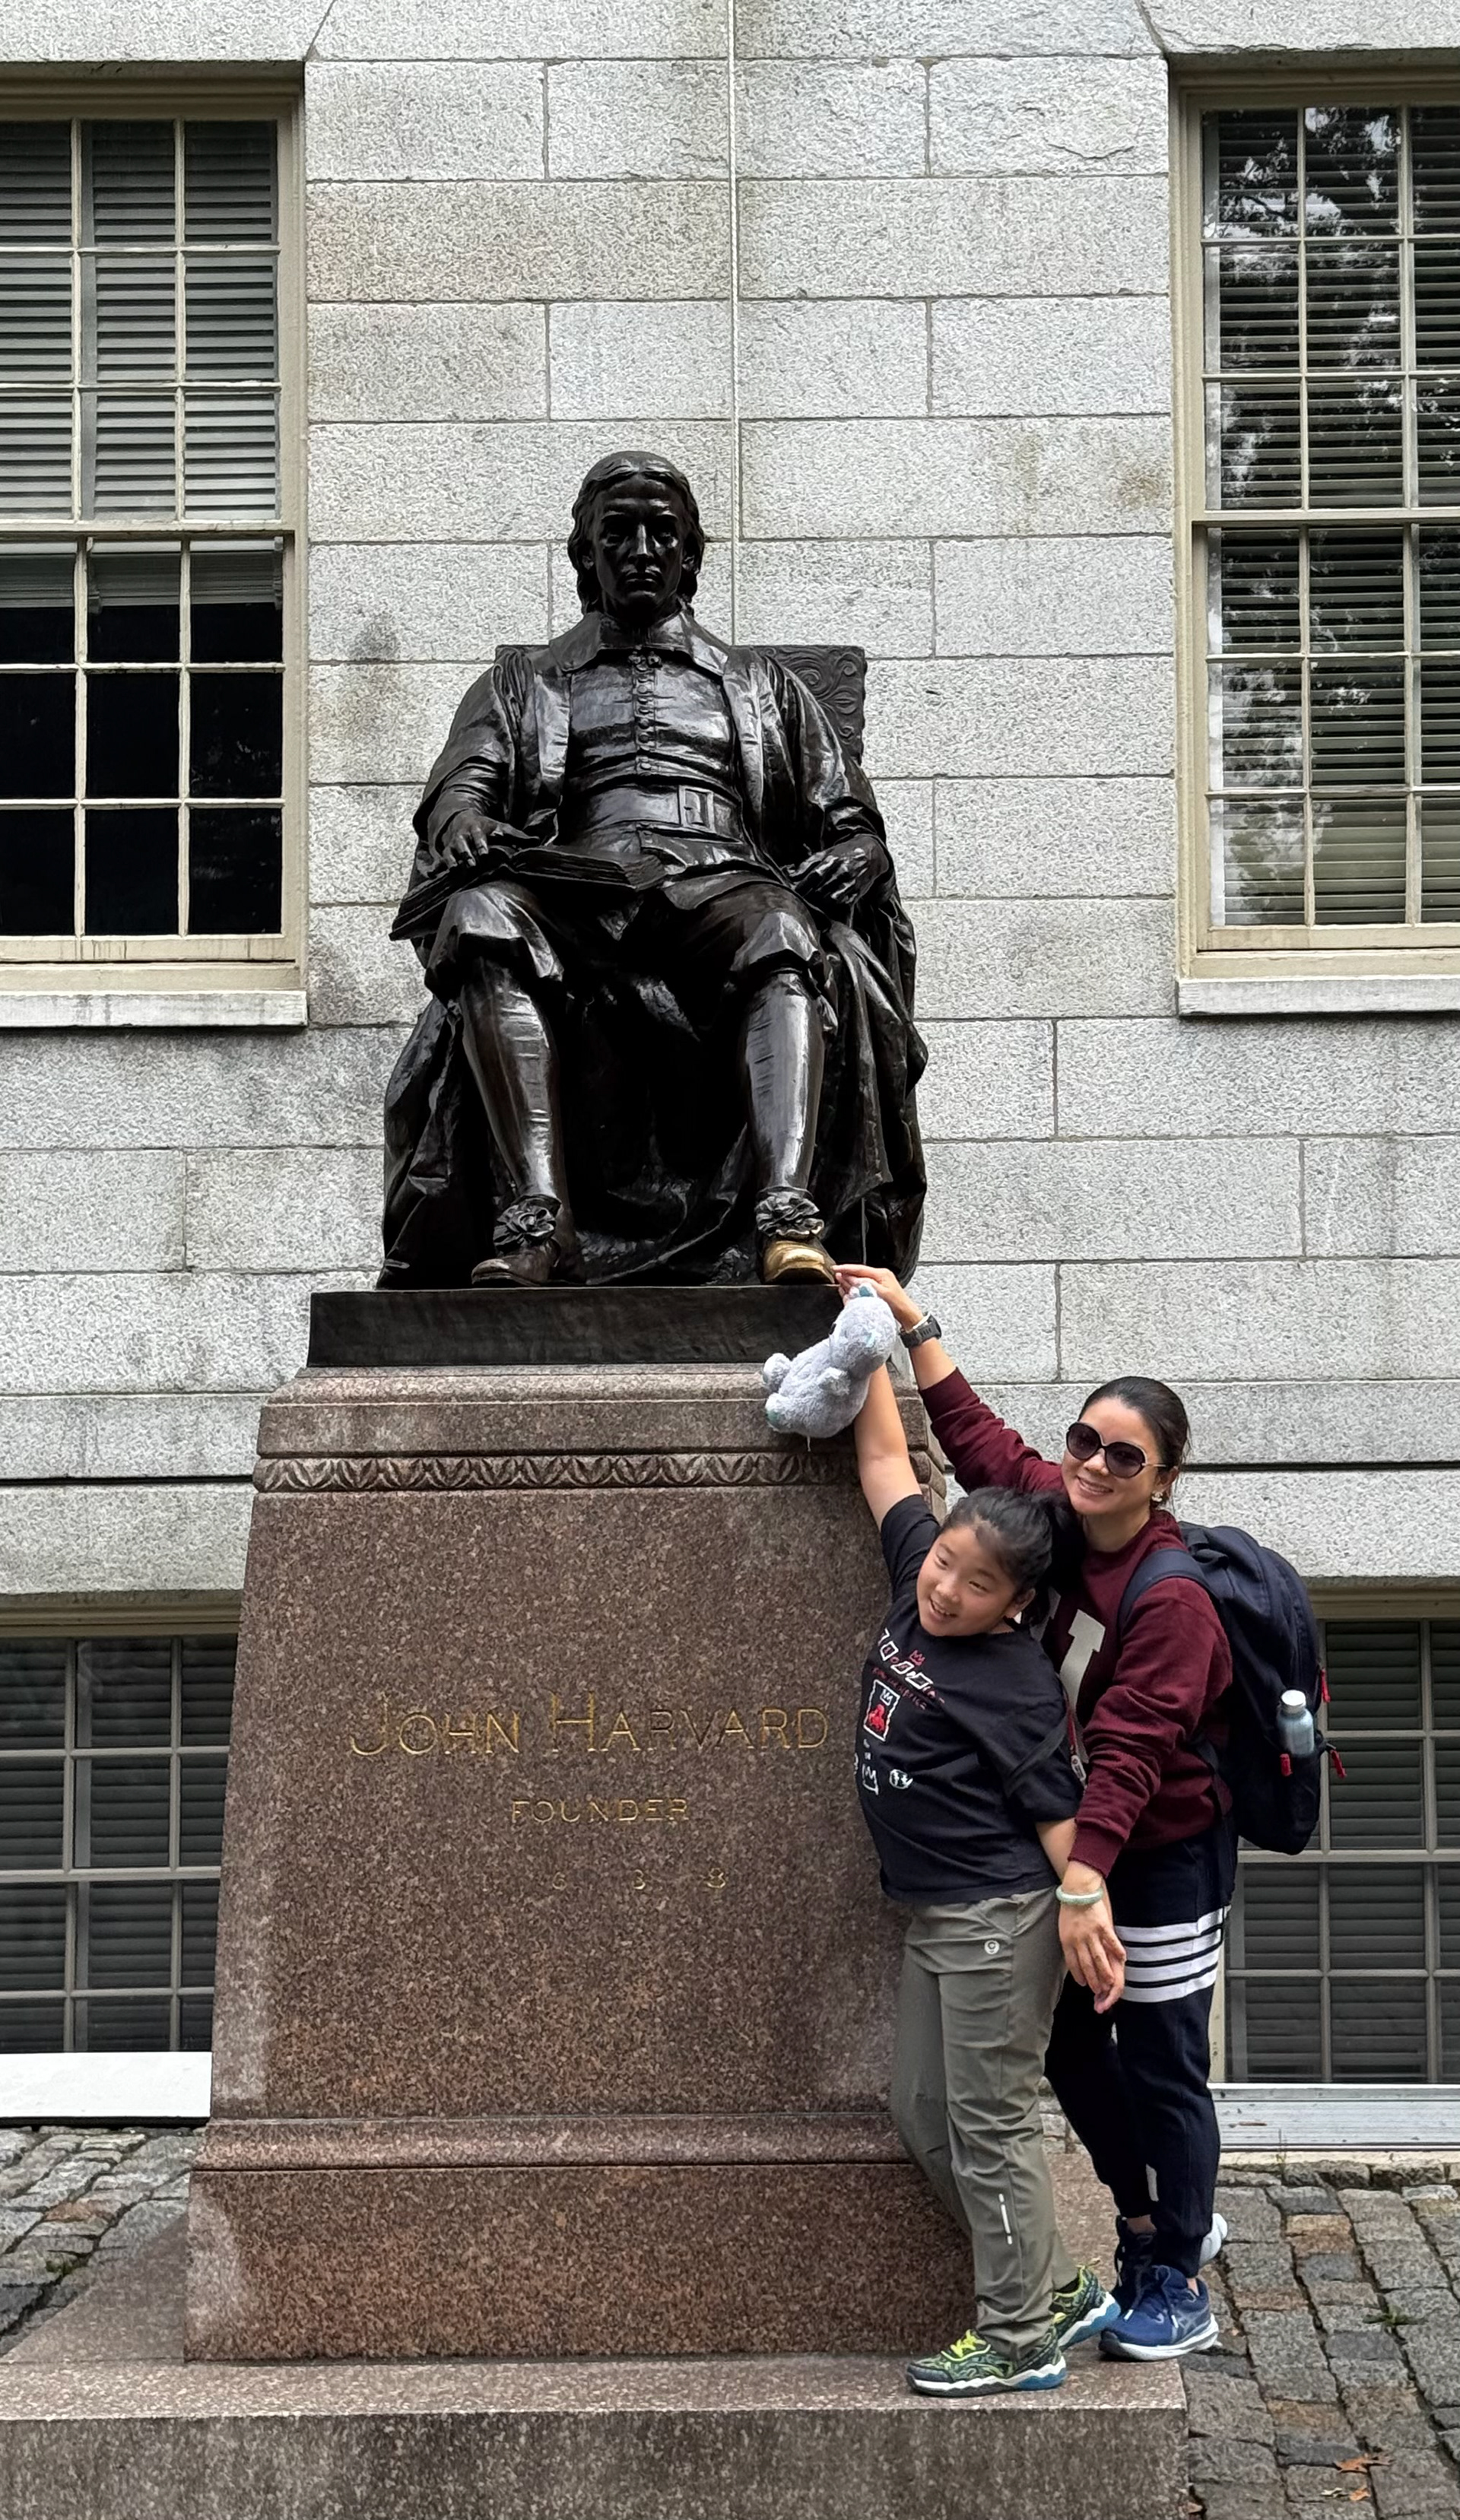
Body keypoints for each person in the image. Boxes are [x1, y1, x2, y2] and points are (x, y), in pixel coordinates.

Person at [379, 449, 925, 1291]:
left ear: (691, 557)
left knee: (784, 928)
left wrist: (861, 851)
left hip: (720, 879)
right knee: (481, 914)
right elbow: (466, 782)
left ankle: (785, 1216)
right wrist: (460, 820)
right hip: (575, 885)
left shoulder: (761, 684)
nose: (641, 549)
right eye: (618, 533)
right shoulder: (524, 682)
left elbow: (848, 817)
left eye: (662, 533)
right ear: (585, 558)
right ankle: (537, 1218)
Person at [837, 1266, 1236, 2364]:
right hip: (1047, 1860)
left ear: (1162, 1478)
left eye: (1125, 1456)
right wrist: (886, 1327)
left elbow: (1121, 1761)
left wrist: (1080, 1889)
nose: (1095, 1465)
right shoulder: (1033, 1527)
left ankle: (1170, 2259)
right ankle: (1076, 2261)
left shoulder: (1167, 1601)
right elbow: (958, 1447)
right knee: (1049, 2071)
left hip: (1146, 1848)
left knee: (1155, 2060)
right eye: (1086, 1441)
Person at [849, 1358, 1122, 2397]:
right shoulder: (922, 1562)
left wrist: (1088, 1911)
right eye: (947, 1561)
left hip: (999, 1916)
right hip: (935, 1911)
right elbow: (883, 1455)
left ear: (1016, 1607)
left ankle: (1018, 2336)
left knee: (991, 2118)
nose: (945, 1588)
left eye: (976, 1585)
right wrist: (862, 1326)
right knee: (923, 2110)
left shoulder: (1007, 1677)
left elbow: (1059, 1812)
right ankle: (1052, 2285)